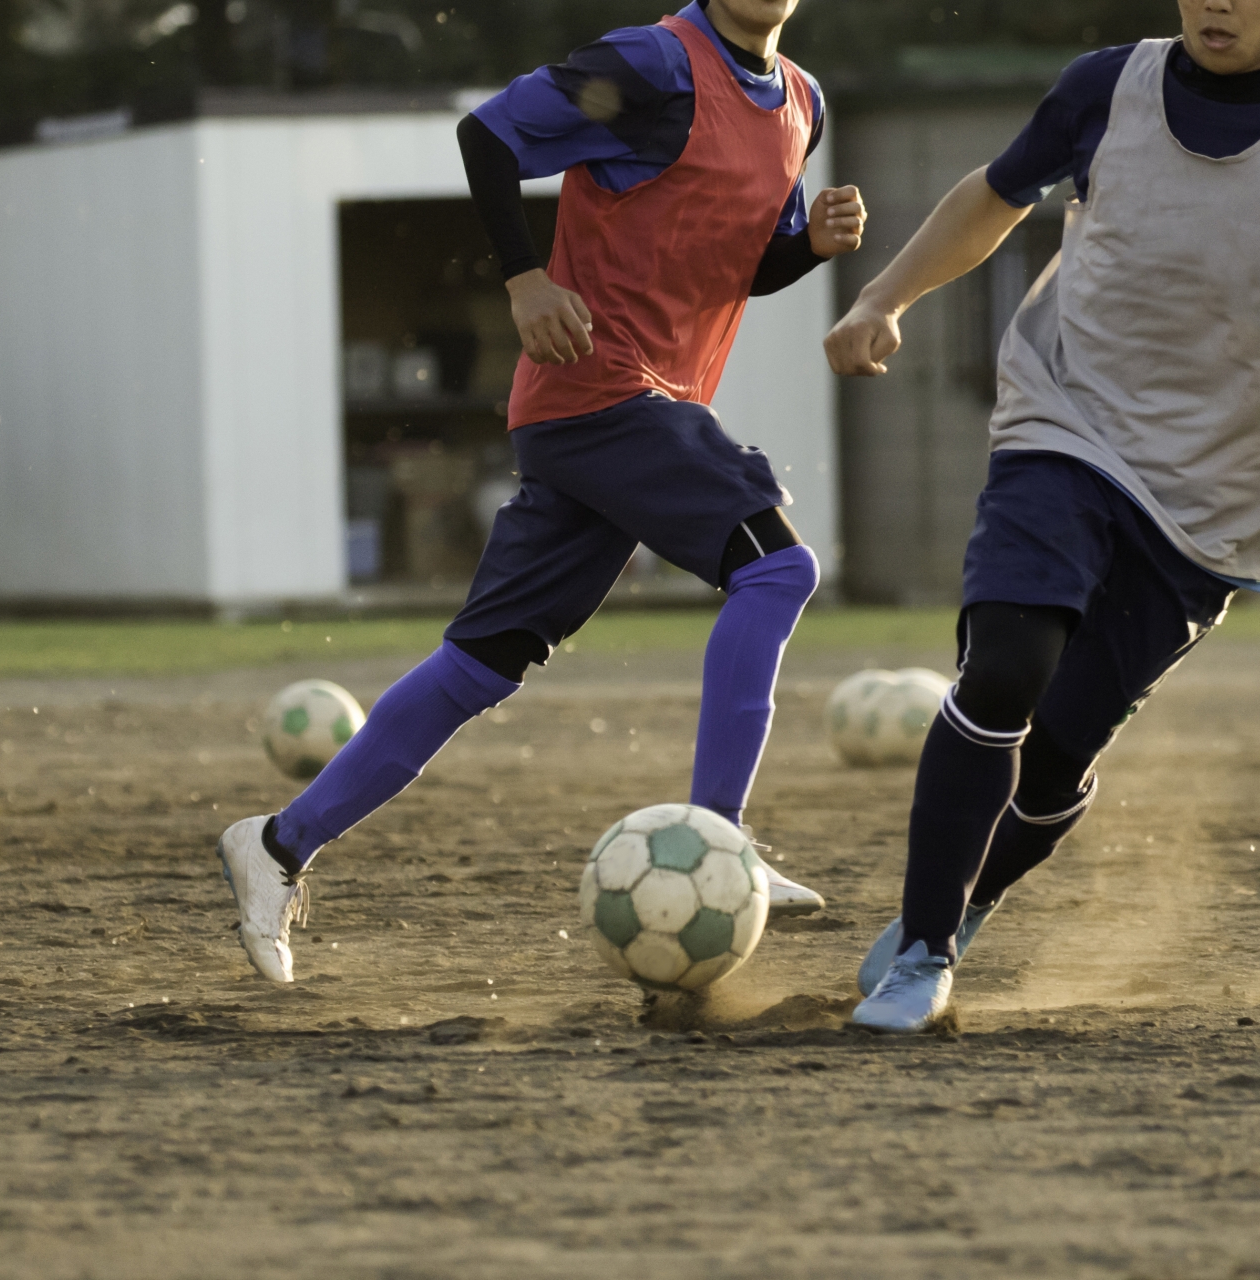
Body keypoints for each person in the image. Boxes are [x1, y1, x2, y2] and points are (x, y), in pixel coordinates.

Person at [825, 0, 1260, 1031]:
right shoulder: (1102, 90)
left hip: (1217, 494)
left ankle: (970, 897)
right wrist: (880, 299)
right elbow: (996, 195)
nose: (1217, 3)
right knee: (1003, 667)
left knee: (1058, 751)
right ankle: (922, 948)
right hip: (1065, 418)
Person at [216, 0, 865, 983]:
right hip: (600, 393)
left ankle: (275, 843)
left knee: (483, 663)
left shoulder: (802, 102)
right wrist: (523, 278)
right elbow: (488, 134)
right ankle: (721, 842)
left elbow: (746, 265)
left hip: (612, 416)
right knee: (777, 567)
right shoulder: (652, 63)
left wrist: (809, 244)